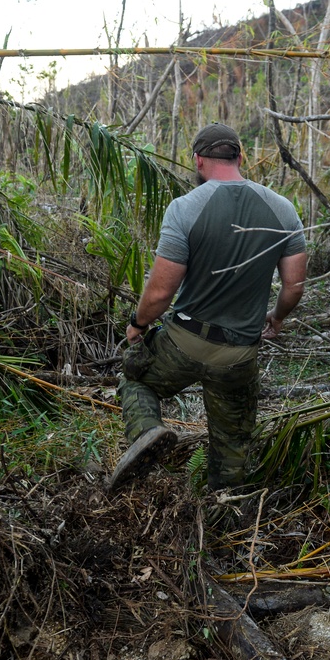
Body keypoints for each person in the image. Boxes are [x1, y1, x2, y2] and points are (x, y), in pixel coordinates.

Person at [110, 122, 307, 491]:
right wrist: (277, 318)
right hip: (239, 353)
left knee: (135, 379)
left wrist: (138, 325)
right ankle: (224, 515)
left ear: (198, 161)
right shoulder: (282, 209)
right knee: (232, 442)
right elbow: (294, 285)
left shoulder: (185, 208)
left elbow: (159, 293)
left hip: (185, 342)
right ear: (240, 157)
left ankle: (147, 432)